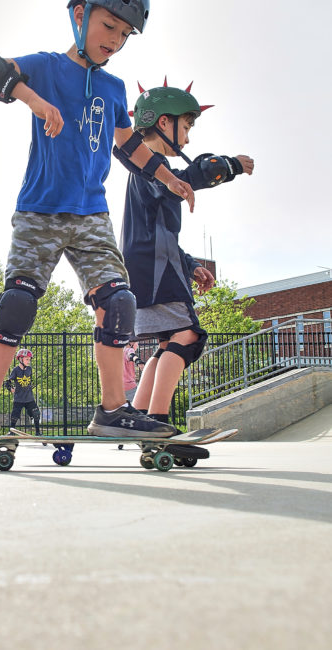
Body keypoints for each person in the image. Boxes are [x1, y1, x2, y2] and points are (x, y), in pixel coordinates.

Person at [0, 0, 195, 439]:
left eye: (123, 35)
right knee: (18, 302)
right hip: (39, 209)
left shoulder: (115, 88)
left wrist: (168, 178)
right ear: (79, 16)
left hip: (92, 215)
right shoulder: (46, 67)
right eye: (108, 26)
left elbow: (129, 145)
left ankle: (113, 410)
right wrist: (35, 101)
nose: (114, 40)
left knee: (118, 303)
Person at [114, 81, 254, 424]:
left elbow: (160, 232)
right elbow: (187, 179)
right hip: (156, 266)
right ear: (165, 122)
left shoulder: (143, 170)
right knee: (189, 335)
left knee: (168, 342)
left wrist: (190, 265)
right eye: (186, 127)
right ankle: (159, 420)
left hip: (147, 263)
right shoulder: (152, 166)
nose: (188, 139)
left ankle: (140, 416)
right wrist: (229, 165)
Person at [6, 349, 41, 435]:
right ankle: (11, 432)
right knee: (14, 416)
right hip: (19, 398)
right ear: (20, 359)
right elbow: (7, 382)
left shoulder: (29, 369)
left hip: (29, 397)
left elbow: (30, 380)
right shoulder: (15, 370)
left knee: (36, 414)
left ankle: (38, 432)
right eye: (27, 359)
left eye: (29, 359)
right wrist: (11, 389)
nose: (29, 361)